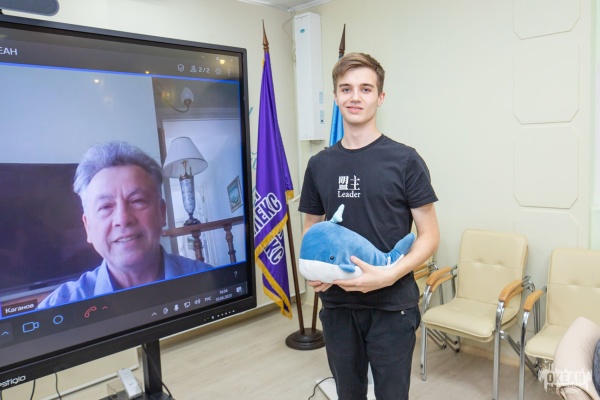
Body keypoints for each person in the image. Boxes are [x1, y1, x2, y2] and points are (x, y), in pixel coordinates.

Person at [299, 52, 440, 400]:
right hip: (337, 304)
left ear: (380, 97)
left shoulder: (405, 160)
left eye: (365, 88)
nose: (355, 97)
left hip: (392, 306)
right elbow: (311, 228)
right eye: (346, 89)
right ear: (336, 97)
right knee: (348, 393)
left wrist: (390, 274)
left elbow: (430, 236)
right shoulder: (319, 165)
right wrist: (314, 270)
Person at [38, 141, 212, 308]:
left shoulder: (211, 284)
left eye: (137, 201)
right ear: (88, 227)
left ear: (161, 212)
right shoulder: (57, 310)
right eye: (105, 207)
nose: (122, 219)